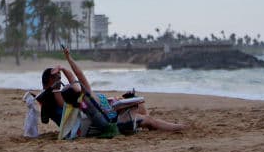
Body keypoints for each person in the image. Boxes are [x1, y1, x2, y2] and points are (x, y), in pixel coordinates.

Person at [37, 47, 185, 135]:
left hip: (108, 112)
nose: (61, 80)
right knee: (147, 118)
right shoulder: (74, 99)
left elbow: (76, 80)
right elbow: (77, 80)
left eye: (60, 77)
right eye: (57, 77)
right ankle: (179, 128)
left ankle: (144, 125)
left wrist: (64, 67)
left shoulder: (79, 98)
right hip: (112, 122)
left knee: (139, 107)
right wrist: (59, 78)